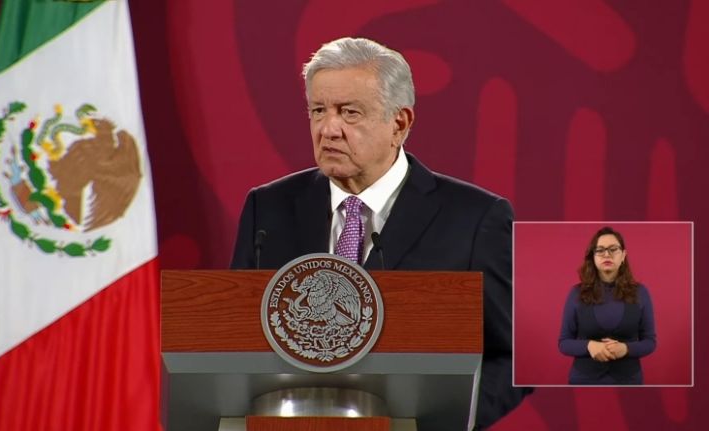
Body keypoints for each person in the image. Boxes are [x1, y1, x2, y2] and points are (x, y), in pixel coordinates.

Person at [231, 37, 531, 428]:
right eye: (318, 110)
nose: (328, 129)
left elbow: (515, 356)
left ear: (400, 123)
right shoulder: (268, 209)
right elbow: (233, 344)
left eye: (349, 112)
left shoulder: (476, 219)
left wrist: (450, 419)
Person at [559, 226, 656, 384]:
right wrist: (589, 346)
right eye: (600, 250)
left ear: (623, 255)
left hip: (629, 381)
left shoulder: (641, 292)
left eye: (613, 249)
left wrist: (626, 349)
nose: (606, 254)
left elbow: (650, 342)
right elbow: (563, 343)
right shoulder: (576, 293)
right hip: (583, 381)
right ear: (593, 256)